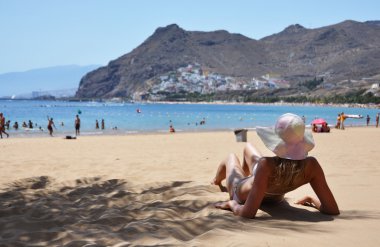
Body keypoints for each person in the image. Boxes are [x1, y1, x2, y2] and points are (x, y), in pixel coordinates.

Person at [211, 113, 339, 219]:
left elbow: (247, 213)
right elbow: (332, 209)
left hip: (242, 194)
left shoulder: (266, 165)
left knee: (231, 157)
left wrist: (232, 204)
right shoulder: (312, 165)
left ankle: (216, 180)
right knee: (248, 147)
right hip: (275, 197)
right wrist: (312, 200)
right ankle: (248, 178)